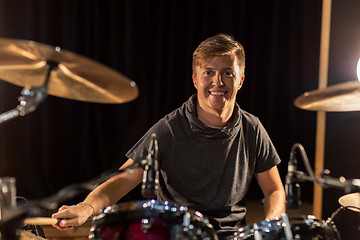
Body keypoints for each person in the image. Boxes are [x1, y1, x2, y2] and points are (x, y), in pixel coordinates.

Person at [52, 33, 286, 238]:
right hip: (180, 233)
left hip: (231, 235)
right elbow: (124, 178)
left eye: (227, 73)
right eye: (208, 72)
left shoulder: (252, 128)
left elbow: (274, 189)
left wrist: (270, 224)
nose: (218, 82)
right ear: (195, 79)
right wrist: (86, 207)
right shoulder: (170, 128)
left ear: (240, 80)